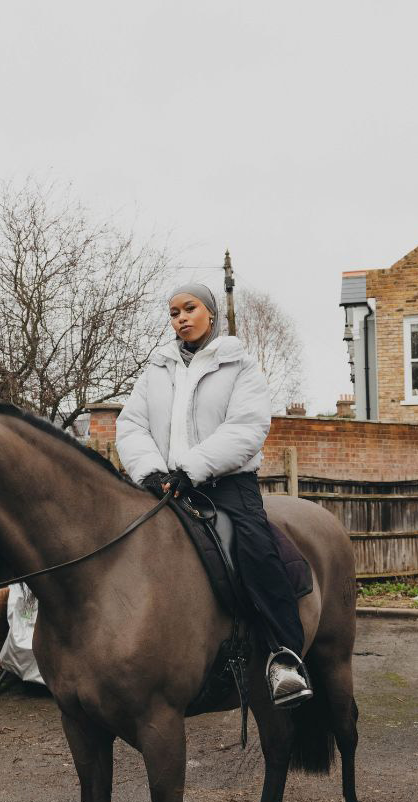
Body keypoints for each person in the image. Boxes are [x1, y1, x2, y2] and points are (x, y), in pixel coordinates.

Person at [114, 282, 312, 706]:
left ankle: (285, 657)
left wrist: (193, 468)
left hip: (227, 485)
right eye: (173, 313)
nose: (181, 318)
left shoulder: (239, 366)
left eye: (189, 308)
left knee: (257, 550)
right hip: (164, 485)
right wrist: (150, 471)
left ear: (210, 314)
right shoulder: (156, 369)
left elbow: (247, 427)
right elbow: (131, 425)